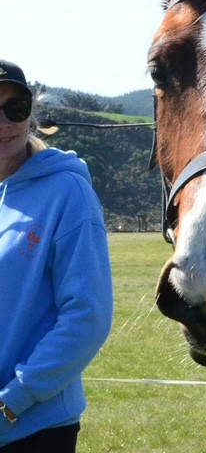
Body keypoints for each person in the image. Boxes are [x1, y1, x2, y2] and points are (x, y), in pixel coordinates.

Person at [0, 60, 114, 453]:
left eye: (16, 109)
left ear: (31, 114)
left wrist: (12, 401)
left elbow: (87, 316)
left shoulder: (68, 192)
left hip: (33, 431)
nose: (5, 122)